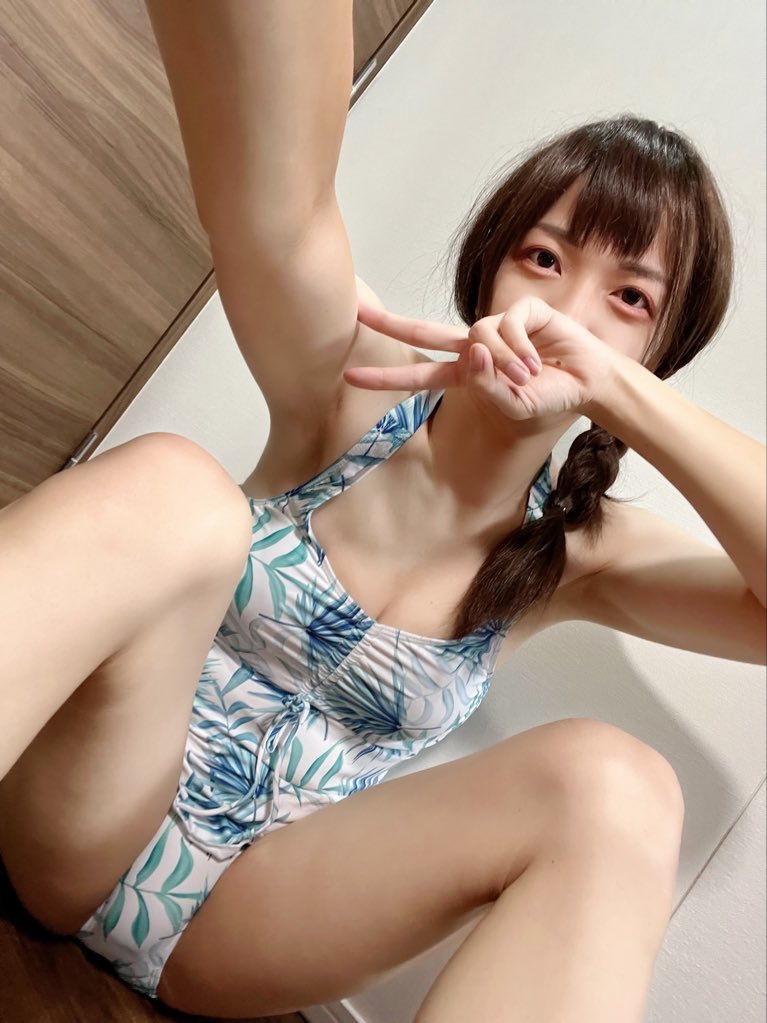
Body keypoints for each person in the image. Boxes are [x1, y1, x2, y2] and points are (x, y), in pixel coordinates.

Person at [0, 3, 764, 1021]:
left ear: (656, 358)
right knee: (177, 489)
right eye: (543, 258)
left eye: (629, 300)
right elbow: (279, 206)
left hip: (245, 924)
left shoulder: (582, 552)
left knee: (620, 788)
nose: (559, 315)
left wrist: (615, 392)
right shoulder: (350, 380)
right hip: (81, 813)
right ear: (488, 269)